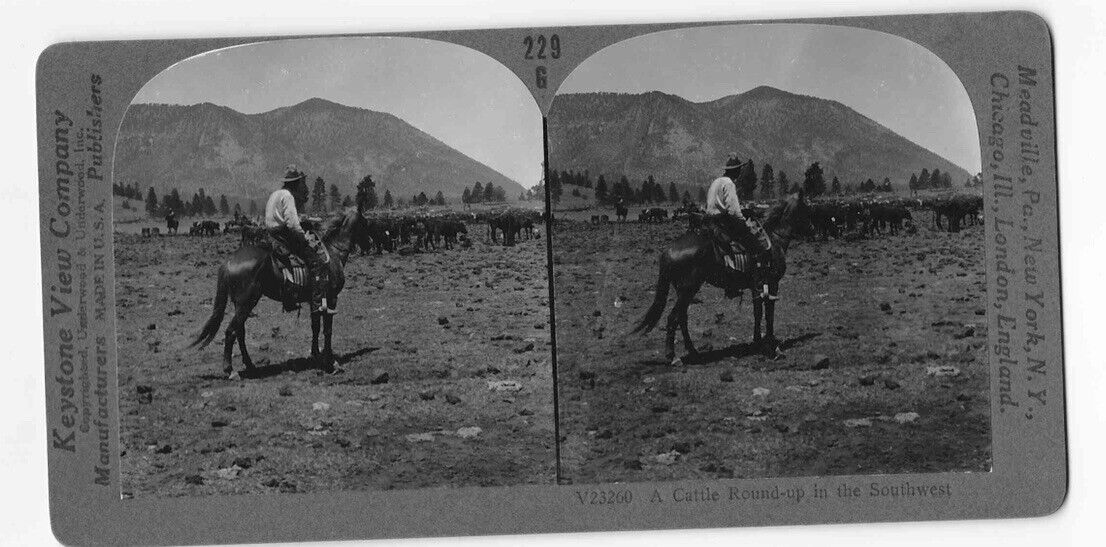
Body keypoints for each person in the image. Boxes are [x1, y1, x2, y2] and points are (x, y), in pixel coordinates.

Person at [265, 165, 331, 313]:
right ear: (295, 183)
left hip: (271, 235)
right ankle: (317, 305)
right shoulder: (288, 196)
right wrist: (303, 237)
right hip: (284, 235)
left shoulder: (275, 194)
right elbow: (293, 224)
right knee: (317, 262)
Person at [704, 155, 772, 297]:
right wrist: (743, 221)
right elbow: (733, 211)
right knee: (756, 245)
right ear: (736, 170)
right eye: (740, 169)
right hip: (724, 221)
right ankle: (757, 283)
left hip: (710, 221)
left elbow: (718, 204)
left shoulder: (716, 181)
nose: (741, 172)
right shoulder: (729, 183)